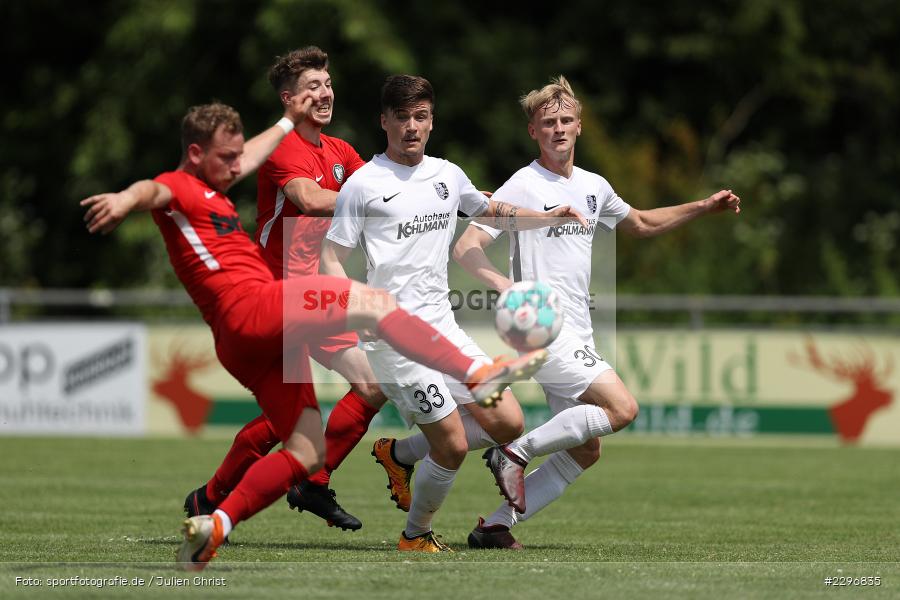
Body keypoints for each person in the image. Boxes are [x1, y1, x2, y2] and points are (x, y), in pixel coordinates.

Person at [81, 99, 550, 570]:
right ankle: (476, 372)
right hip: (255, 305)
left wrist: (286, 120)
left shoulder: (222, 188)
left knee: (305, 451)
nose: (237, 167)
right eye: (227, 158)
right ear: (198, 153)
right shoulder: (179, 186)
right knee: (377, 303)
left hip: (242, 343)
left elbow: (251, 157)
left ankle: (215, 522)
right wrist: (123, 199)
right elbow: (150, 190)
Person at [451, 75, 741, 549]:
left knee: (585, 450)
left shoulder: (593, 186)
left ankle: (495, 527)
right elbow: (467, 246)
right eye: (548, 122)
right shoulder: (523, 185)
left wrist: (704, 206)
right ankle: (515, 452)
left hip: (578, 330)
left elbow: (642, 223)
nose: (558, 129)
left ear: (580, 127)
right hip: (542, 326)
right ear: (533, 132)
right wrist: (506, 287)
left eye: (566, 120)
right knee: (622, 407)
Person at [320, 75, 588, 551]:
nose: (411, 127)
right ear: (384, 122)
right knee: (453, 445)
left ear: (431, 121)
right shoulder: (363, 185)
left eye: (420, 116)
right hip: (394, 341)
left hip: (442, 328)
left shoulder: (447, 175)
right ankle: (415, 535)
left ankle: (398, 456)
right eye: (401, 117)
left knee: (507, 421)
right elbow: (332, 258)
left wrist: (548, 216)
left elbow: (492, 209)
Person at [182, 46, 385, 532]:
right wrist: (386, 205)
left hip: (318, 296)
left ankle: (312, 482)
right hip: (277, 295)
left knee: (373, 388)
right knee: (284, 420)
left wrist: (452, 197)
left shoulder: (339, 151)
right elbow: (310, 200)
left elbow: (382, 183)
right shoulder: (280, 146)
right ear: (289, 98)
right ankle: (210, 497)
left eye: (328, 84)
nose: (325, 93)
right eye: (313, 86)